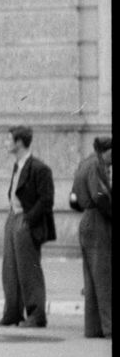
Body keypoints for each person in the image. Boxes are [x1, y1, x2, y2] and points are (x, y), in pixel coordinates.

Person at [0, 125, 55, 329]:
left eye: (8, 139)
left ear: (19, 142)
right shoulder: (18, 165)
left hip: (25, 220)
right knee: (10, 268)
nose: (6, 143)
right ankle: (12, 313)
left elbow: (46, 200)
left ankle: (36, 314)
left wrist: (28, 221)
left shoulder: (39, 168)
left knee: (29, 270)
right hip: (13, 217)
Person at [69, 134, 112, 339]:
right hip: (98, 221)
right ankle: (109, 326)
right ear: (107, 150)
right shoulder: (97, 164)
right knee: (104, 277)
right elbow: (99, 195)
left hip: (87, 219)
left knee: (92, 278)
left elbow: (74, 199)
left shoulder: (85, 163)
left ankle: (93, 327)